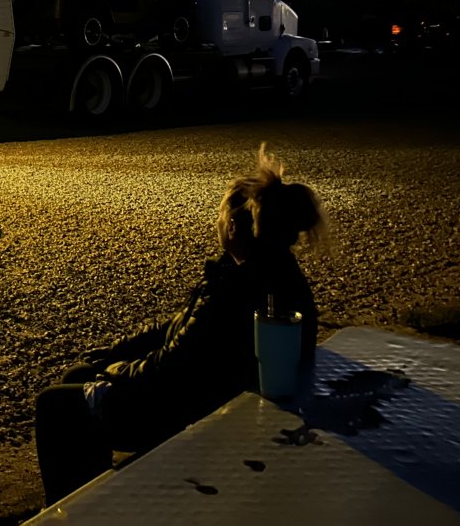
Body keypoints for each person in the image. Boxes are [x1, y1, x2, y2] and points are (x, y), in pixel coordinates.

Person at [33, 143, 328, 507]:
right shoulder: (268, 271)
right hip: (199, 393)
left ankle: (82, 513)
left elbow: (172, 368)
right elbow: (176, 327)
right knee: (79, 375)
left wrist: (113, 374)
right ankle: (95, 495)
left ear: (233, 226)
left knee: (55, 406)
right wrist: (114, 354)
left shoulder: (236, 290)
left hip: (183, 407)